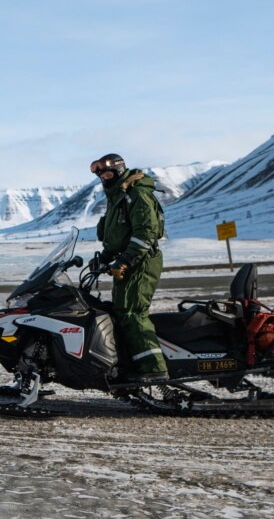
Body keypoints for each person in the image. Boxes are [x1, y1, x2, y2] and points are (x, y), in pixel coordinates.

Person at [90, 153, 168, 381]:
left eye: (107, 173)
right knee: (120, 311)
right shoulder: (118, 198)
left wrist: (125, 260)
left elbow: (146, 233)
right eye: (101, 175)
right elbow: (118, 236)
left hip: (141, 261)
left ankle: (154, 370)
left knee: (132, 312)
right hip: (129, 261)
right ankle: (129, 363)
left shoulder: (137, 194)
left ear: (118, 171)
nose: (104, 178)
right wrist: (104, 258)